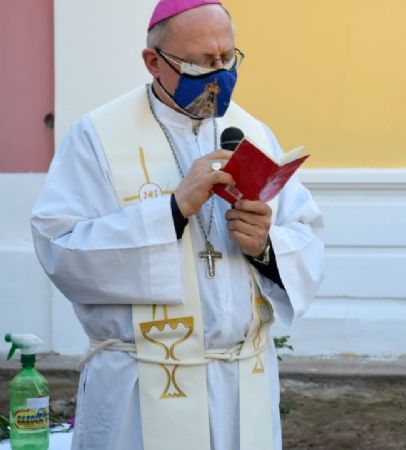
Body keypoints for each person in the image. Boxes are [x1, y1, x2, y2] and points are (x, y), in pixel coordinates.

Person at [30, 1, 324, 449]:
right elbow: (59, 246)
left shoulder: (253, 133)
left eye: (228, 57)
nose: (220, 73)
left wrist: (265, 247)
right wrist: (172, 210)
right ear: (154, 62)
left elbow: (304, 231)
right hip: (143, 385)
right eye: (202, 63)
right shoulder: (99, 137)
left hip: (243, 380)